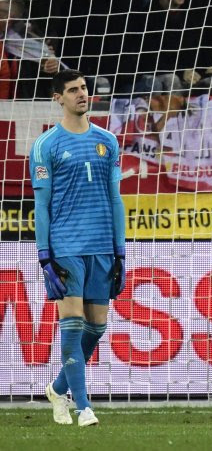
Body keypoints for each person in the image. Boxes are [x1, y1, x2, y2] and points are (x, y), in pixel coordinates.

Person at [30, 69, 126, 426]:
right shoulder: (46, 145)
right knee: (72, 323)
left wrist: (120, 251)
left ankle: (57, 388)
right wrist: (44, 256)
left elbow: (116, 198)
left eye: (84, 88)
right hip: (66, 245)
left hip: (102, 246)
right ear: (59, 98)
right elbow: (41, 205)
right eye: (73, 90)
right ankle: (83, 405)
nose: (81, 94)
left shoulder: (108, 140)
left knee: (97, 327)